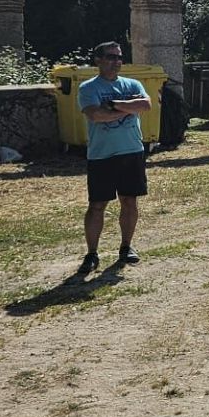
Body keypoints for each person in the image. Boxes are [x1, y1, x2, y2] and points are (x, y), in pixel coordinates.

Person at [75, 41, 152, 274]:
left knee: (129, 201)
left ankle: (126, 247)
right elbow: (96, 115)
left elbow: (146, 105)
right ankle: (91, 253)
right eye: (111, 57)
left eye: (119, 57)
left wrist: (115, 105)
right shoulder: (88, 88)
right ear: (98, 60)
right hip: (102, 155)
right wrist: (129, 107)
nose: (116, 62)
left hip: (132, 151)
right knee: (97, 205)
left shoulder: (133, 83)